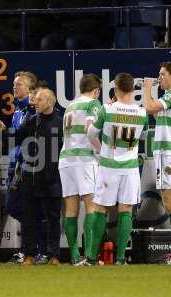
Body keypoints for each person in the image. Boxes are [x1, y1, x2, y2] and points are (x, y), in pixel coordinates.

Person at [87, 73, 148, 265]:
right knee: (126, 210)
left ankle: (91, 258)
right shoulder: (142, 113)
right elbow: (143, 136)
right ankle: (121, 259)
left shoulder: (106, 109)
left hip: (108, 165)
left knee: (99, 209)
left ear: (115, 89)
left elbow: (90, 134)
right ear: (132, 90)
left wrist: (101, 150)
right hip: (130, 167)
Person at [15, 88, 63, 265]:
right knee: (29, 219)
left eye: (40, 100)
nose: (35, 102)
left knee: (53, 218)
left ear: (50, 102)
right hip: (30, 179)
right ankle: (29, 254)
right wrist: (2, 131)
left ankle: (54, 255)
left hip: (52, 180)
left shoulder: (61, 122)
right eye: (35, 99)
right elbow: (15, 138)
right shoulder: (31, 121)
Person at [59, 74, 102, 265]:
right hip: (84, 159)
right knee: (91, 206)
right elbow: (89, 129)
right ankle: (90, 256)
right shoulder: (93, 104)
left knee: (71, 209)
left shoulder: (71, 106)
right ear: (96, 91)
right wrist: (100, 150)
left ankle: (75, 256)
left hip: (66, 160)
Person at [0, 71, 37, 264]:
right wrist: (5, 132)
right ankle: (31, 247)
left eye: (19, 84)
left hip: (27, 166)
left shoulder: (32, 109)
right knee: (14, 207)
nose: (14, 87)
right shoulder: (18, 111)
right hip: (16, 166)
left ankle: (31, 249)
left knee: (27, 210)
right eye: (14, 84)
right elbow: (16, 139)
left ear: (30, 89)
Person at [143, 62, 171, 264]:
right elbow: (153, 110)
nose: (159, 77)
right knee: (168, 200)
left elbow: (150, 107)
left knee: (169, 202)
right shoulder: (166, 98)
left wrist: (146, 89)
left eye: (162, 74)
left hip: (169, 154)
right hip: (164, 153)